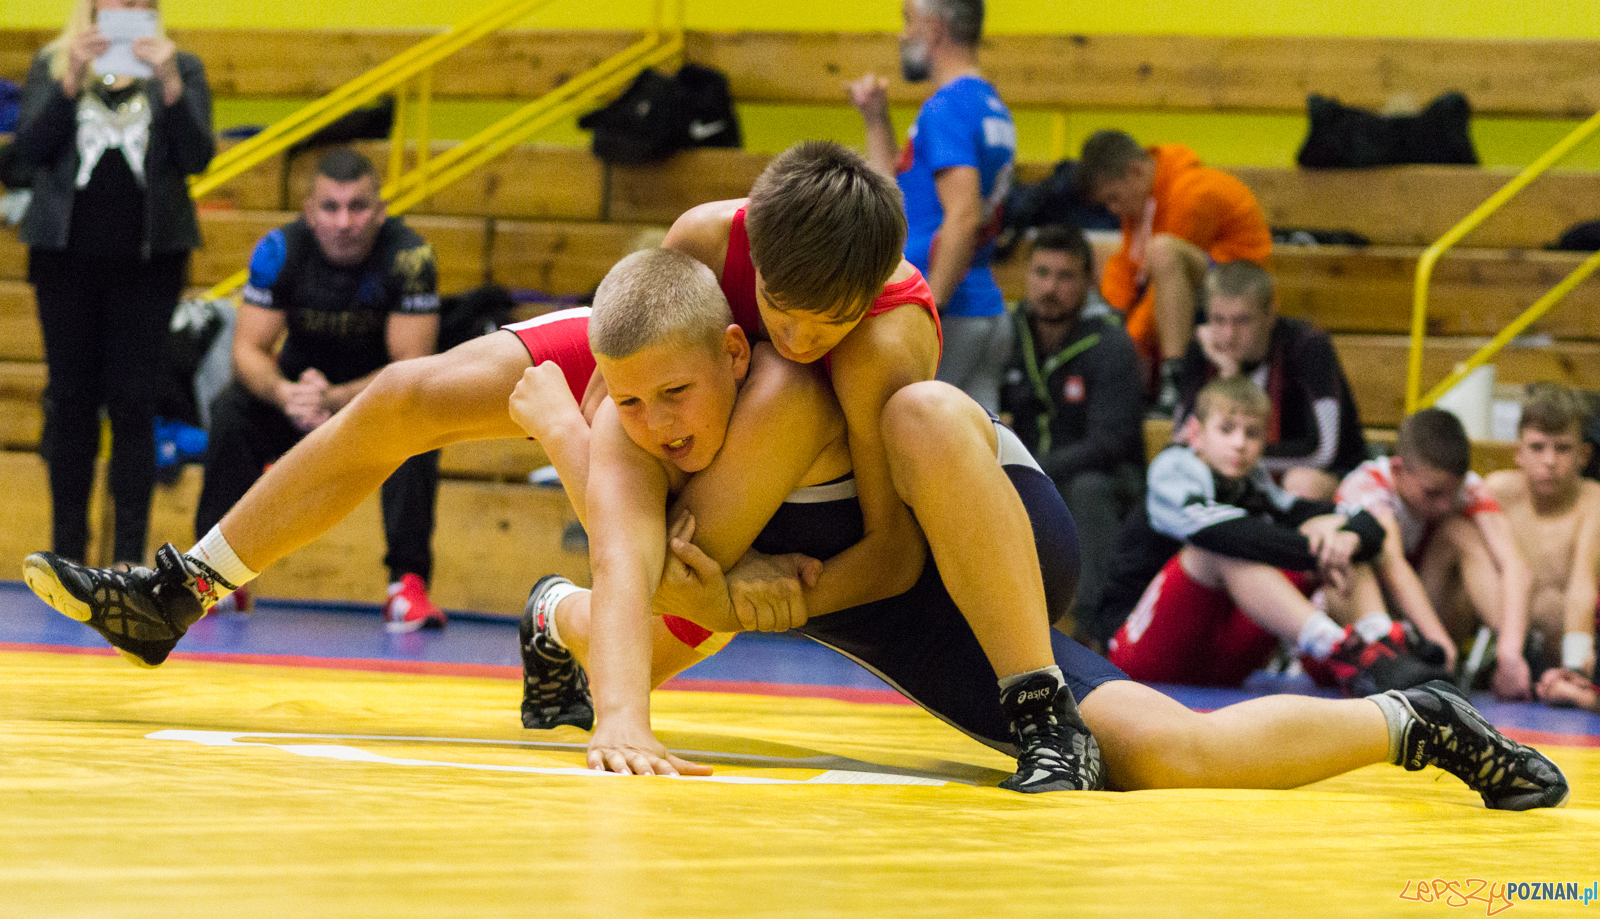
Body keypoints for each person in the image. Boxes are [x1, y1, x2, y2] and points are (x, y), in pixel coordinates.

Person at [21, 141, 1107, 792]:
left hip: (778, 486)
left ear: (868, 292)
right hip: (682, 368)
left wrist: (749, 598)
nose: (801, 331)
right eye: (779, 304)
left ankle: (560, 623)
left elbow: (886, 545)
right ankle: (185, 587)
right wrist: (574, 427)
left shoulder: (886, 344)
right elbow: (617, 412)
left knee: (673, 581)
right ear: (750, 256)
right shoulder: (708, 240)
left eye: (825, 318)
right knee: (406, 396)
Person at [510, 313, 1566, 810]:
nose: (656, 423)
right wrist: (580, 439)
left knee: (919, 416)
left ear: (740, 351)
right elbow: (646, 566)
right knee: (1174, 755)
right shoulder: (645, 446)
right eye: (629, 403)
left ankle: (1035, 696)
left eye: (674, 396)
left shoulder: (831, 377)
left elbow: (836, 535)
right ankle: (1415, 719)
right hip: (918, 624)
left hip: (999, 548)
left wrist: (747, 591)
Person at [12, 0, 213, 567]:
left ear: (155, 2)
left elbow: (197, 160)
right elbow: (20, 161)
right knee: (69, 401)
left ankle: (127, 555)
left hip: (149, 263)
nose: (127, 1)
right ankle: (66, 552)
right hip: (64, 259)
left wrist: (173, 86)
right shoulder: (52, 63)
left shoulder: (183, 67)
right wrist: (69, 82)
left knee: (135, 404)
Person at [195, 147, 445, 631]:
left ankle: (407, 584)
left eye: (358, 207)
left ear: (380, 211)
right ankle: (215, 577)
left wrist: (331, 399)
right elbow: (247, 351)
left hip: (376, 399)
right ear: (310, 211)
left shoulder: (410, 257)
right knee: (231, 410)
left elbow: (411, 366)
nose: (344, 221)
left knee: (421, 419)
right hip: (296, 395)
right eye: (331, 207)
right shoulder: (279, 250)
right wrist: (287, 394)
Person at [1104, 377, 1448, 696]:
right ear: (1195, 434)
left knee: (1331, 531)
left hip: (1221, 663)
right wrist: (1317, 551)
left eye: (1252, 433)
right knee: (1217, 548)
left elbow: (1360, 520)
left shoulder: (1256, 485)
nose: (1239, 444)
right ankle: (1340, 649)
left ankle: (1379, 646)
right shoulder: (1172, 469)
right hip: (1141, 658)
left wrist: (1347, 540)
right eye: (1226, 430)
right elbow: (1223, 534)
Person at [847, 0, 1015, 412]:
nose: (902, 35)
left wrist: (929, 309)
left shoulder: (946, 109)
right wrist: (875, 119)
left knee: (910, 441)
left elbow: (963, 216)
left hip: (949, 310)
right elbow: (894, 200)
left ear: (935, 27)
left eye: (908, 20)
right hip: (983, 309)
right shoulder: (989, 106)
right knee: (984, 455)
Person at [997, 224, 1145, 640]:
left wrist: (1033, 470)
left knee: (1089, 487)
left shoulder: (1111, 344)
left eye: (1065, 277)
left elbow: (1110, 444)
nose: (1050, 287)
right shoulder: (1008, 332)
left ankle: (1093, 627)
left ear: (1086, 283)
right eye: (1041, 273)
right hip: (1029, 471)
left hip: (1106, 481)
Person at [1337, 408, 1535, 700]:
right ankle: (1408, 654)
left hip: (1429, 612)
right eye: (1432, 493)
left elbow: (1515, 564)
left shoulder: (1461, 486)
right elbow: (1393, 565)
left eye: (1450, 494)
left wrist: (1511, 649)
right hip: (1369, 618)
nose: (1443, 505)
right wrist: (1439, 641)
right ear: (1398, 470)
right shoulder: (1367, 485)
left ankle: (1522, 660)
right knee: (1359, 561)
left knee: (1458, 531)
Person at [1077, 130, 1271, 413]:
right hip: (1208, 283)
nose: (1114, 209)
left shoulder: (1191, 192)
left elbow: (1162, 283)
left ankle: (1174, 377)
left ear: (1135, 171)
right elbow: (1130, 268)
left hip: (1241, 285)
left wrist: (1126, 348)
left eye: (1114, 198)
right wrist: (1111, 321)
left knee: (1163, 251)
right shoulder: (1146, 202)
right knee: (1115, 263)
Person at [1170, 260, 1367, 500]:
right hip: (1241, 468)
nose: (1228, 335)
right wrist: (1227, 377)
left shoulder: (1308, 347)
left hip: (1319, 474)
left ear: (1270, 314)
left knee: (1302, 483)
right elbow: (1181, 440)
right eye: (1219, 320)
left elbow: (1323, 451)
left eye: (1242, 321)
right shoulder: (1203, 349)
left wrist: (1233, 454)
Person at [1484, 384, 1600, 709]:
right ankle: (1435, 661)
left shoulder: (1593, 500)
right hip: (1505, 638)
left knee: (1555, 600)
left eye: (1562, 448)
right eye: (1537, 447)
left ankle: (1572, 678)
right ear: (1517, 452)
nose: (1549, 461)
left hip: (1566, 647)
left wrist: (1576, 666)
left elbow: (1582, 586)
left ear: (1584, 455)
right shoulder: (1497, 491)